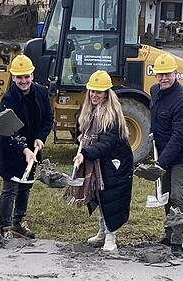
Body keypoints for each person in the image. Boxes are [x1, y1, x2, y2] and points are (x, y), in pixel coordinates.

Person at [64, 70, 133, 252]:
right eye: (92, 91)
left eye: (99, 92)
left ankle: (111, 236)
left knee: (112, 200)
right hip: (101, 163)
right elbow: (85, 133)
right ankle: (103, 231)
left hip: (116, 164)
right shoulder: (89, 111)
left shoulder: (112, 116)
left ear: (106, 94)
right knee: (100, 197)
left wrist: (84, 153)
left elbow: (106, 145)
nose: (94, 95)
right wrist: (82, 138)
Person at [0, 55, 53, 239]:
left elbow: (48, 118)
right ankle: (5, 227)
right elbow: (8, 130)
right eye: (19, 77)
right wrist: (24, 149)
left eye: (26, 76)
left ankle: (19, 222)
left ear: (32, 76)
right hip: (11, 148)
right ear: (13, 77)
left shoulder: (42, 92)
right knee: (10, 187)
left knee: (25, 186)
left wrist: (40, 138)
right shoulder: (8, 99)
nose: (23, 81)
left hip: (32, 147)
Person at [149, 54, 183, 257]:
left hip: (180, 154)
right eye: (160, 74)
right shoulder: (155, 91)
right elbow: (155, 115)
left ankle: (177, 240)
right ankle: (168, 234)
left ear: (175, 73)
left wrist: (160, 163)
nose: (164, 78)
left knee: (176, 194)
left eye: (167, 74)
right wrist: (152, 134)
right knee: (165, 194)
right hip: (162, 151)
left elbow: (179, 137)